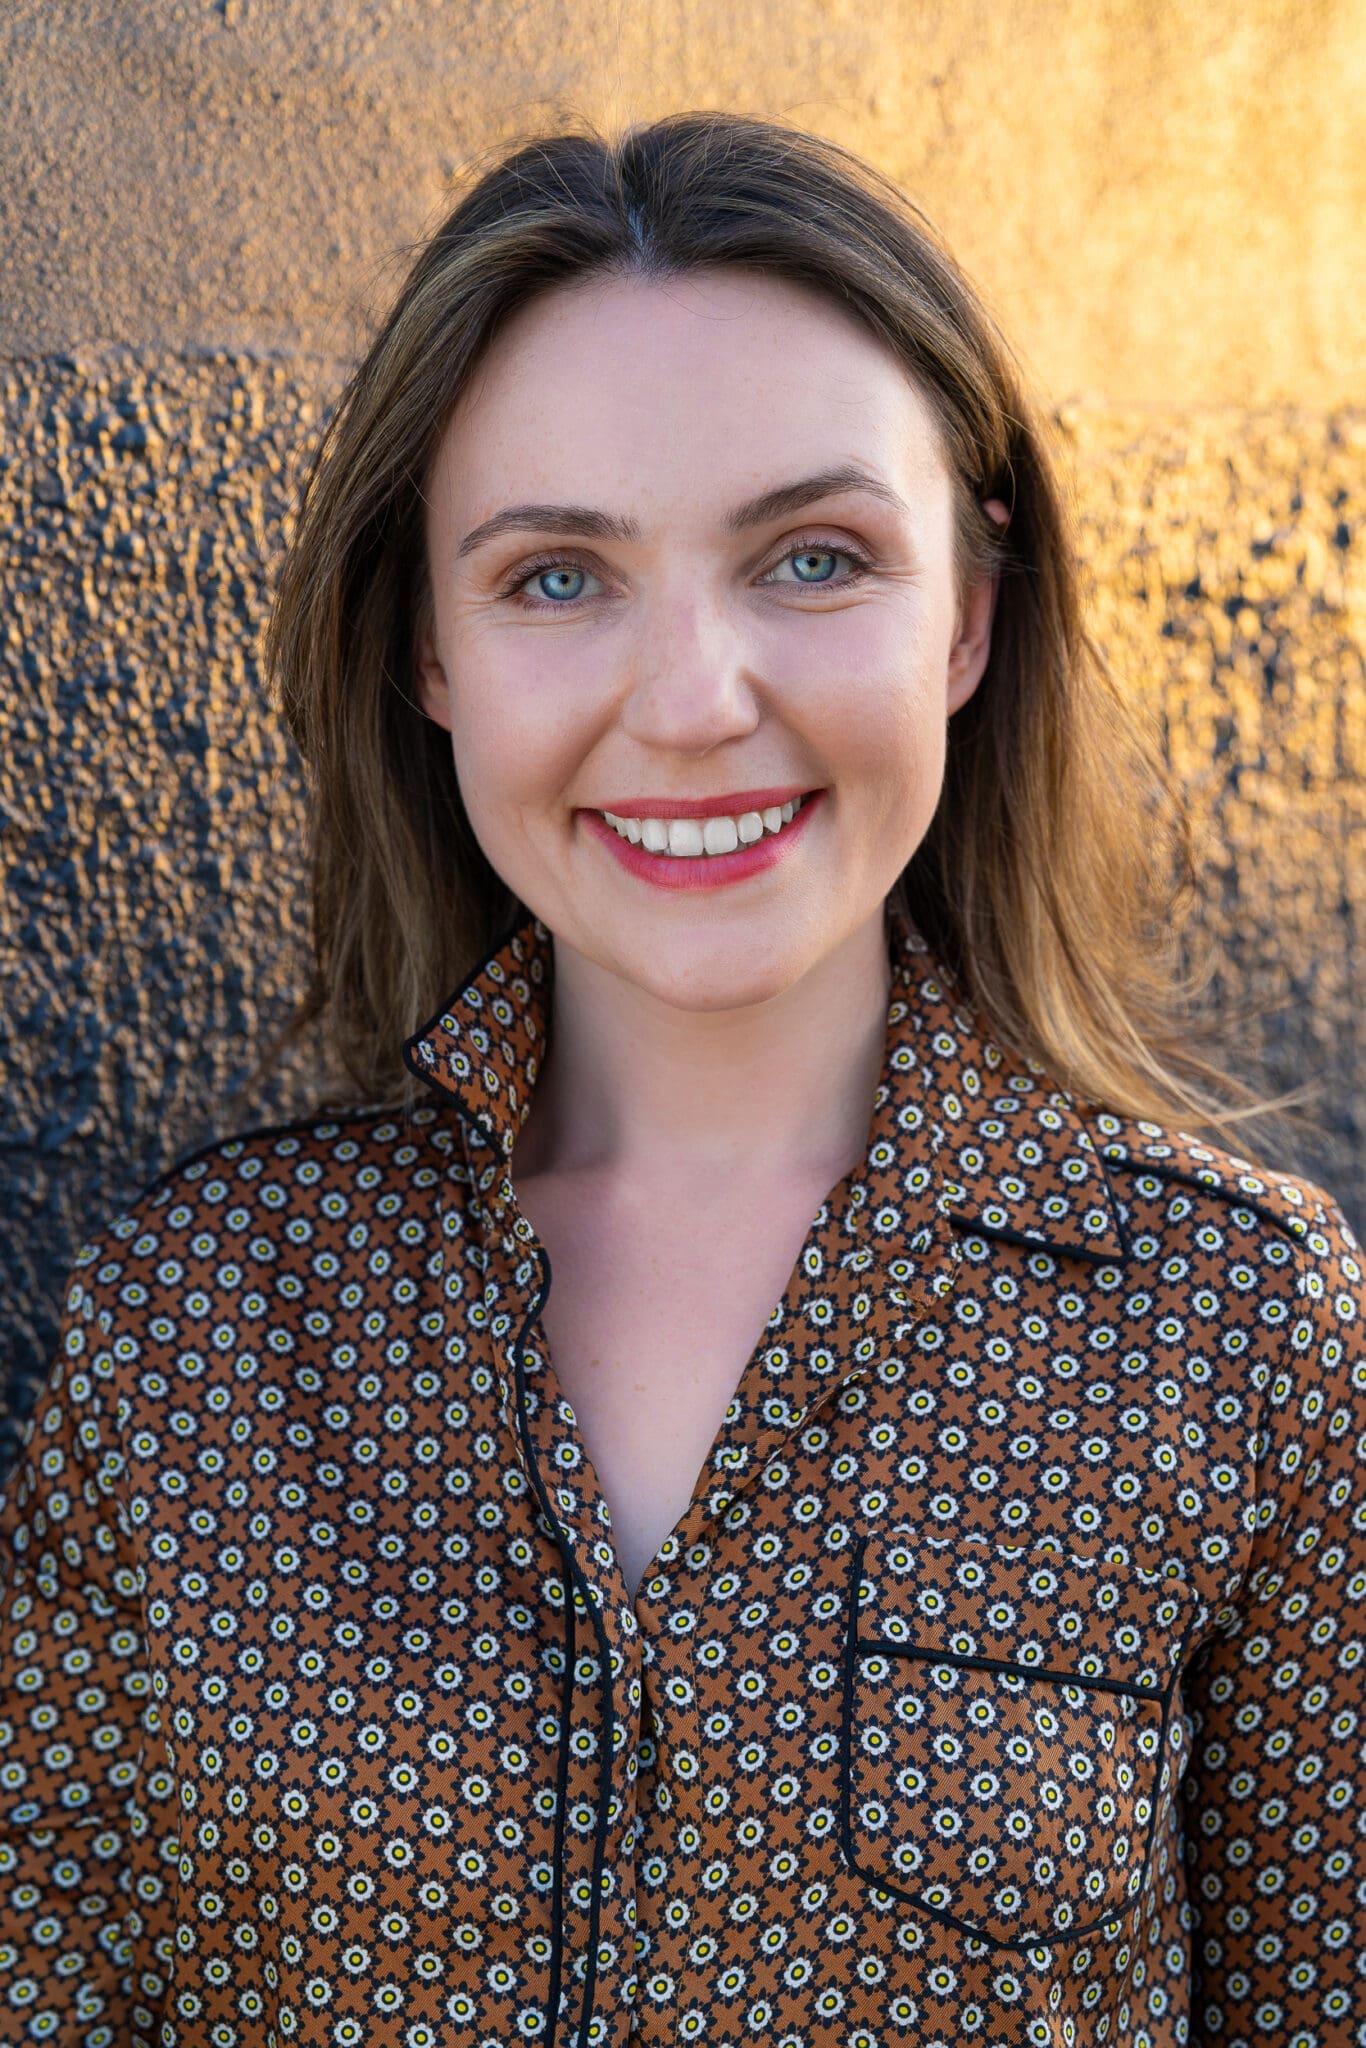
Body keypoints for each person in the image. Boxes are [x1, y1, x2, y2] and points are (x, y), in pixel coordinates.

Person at [1, 109, 1361, 2048]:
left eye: (811, 558)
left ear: (965, 612)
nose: (695, 697)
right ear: (428, 650)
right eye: (556, 578)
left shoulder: (1234, 1331)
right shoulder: (197, 1323)